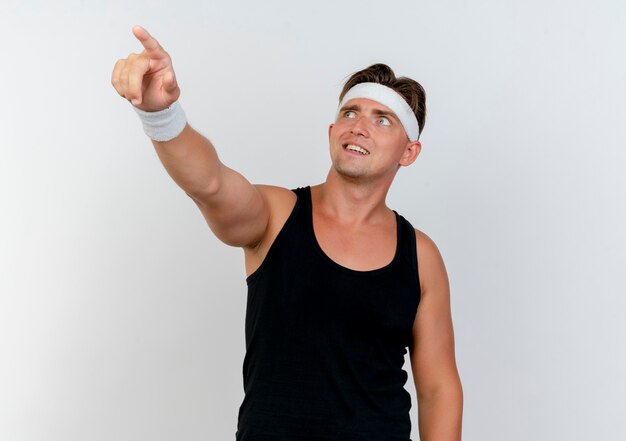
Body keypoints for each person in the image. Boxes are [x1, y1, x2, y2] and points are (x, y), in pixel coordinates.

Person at [112, 25, 463, 441]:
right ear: (332, 134)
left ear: (409, 151)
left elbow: (439, 388)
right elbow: (210, 184)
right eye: (349, 113)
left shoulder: (420, 255)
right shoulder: (277, 215)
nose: (359, 127)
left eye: (381, 119)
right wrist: (161, 114)